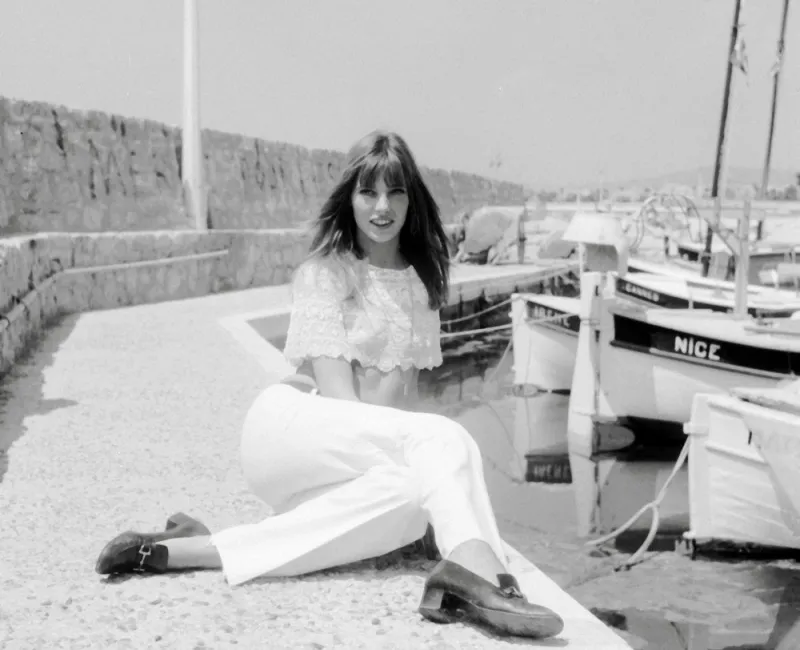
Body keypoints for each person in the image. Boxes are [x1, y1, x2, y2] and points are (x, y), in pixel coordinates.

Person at [95, 130, 564, 640]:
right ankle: (482, 570)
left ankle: (182, 549)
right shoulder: (326, 274)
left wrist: (432, 501)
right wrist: (439, 475)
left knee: (409, 496)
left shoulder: (421, 283)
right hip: (292, 429)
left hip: (346, 451)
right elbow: (345, 405)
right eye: (368, 192)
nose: (382, 207)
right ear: (350, 198)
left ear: (413, 199)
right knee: (443, 438)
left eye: (395, 192)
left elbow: (398, 406)